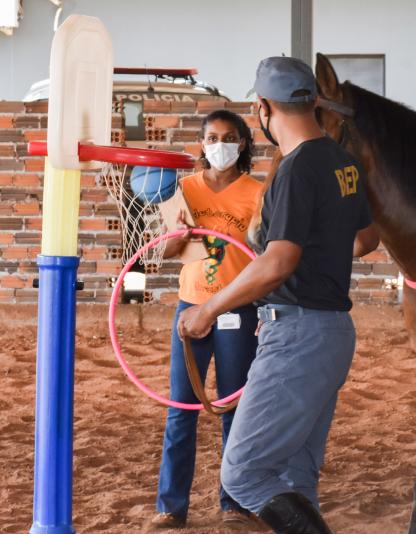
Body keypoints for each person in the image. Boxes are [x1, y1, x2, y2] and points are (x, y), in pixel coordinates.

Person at [178, 56, 379, 534]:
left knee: (244, 472)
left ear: (262, 108)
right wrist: (323, 247)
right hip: (332, 333)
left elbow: (278, 261)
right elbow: (367, 239)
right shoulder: (342, 161)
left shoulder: (295, 169)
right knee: (295, 475)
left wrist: (207, 308)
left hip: (297, 333)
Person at [151, 109, 263, 528]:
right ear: (202, 144)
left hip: (238, 306)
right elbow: (164, 252)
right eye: (213, 138)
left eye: (230, 138)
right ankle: (170, 506)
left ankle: (233, 501)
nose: (221, 146)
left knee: (235, 406)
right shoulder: (183, 189)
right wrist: (177, 237)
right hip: (191, 307)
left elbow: (264, 255)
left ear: (244, 143)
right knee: (182, 407)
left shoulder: (258, 192)